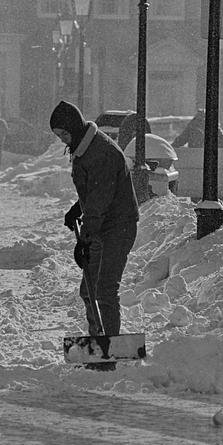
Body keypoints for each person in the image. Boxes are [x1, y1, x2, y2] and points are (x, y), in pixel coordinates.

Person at [50, 99, 139, 337]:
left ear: (74, 127)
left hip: (118, 226)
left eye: (63, 133)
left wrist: (85, 238)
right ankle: (97, 340)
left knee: (104, 290)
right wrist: (78, 208)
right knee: (88, 290)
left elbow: (100, 199)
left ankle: (110, 344)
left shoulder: (100, 153)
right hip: (102, 224)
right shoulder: (84, 148)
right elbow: (94, 192)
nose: (61, 139)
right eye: (58, 135)